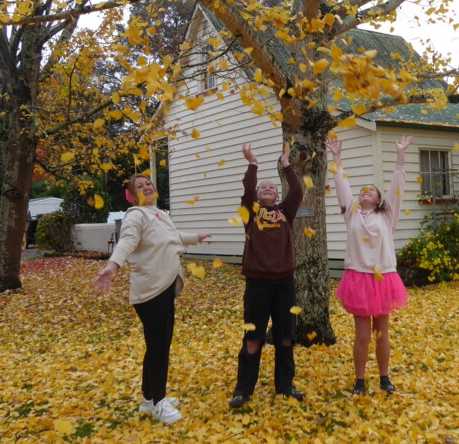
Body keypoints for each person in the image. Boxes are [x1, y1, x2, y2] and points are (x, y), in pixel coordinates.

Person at [93, 173, 210, 425]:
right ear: (132, 195)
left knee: (157, 346)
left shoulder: (160, 214)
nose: (146, 188)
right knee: (159, 349)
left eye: (148, 184)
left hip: (165, 288)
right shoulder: (136, 215)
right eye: (140, 186)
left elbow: (173, 237)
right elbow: (128, 241)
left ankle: (148, 401)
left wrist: (197, 237)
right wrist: (112, 266)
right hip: (150, 292)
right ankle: (158, 402)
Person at [325, 135, 413, 395]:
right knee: (362, 335)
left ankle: (385, 377)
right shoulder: (351, 213)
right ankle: (360, 380)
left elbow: (397, 189)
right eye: (362, 190)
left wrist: (400, 156)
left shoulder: (387, 215)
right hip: (358, 279)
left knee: (381, 332)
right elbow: (342, 187)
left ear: (377, 199)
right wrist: (336, 158)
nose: (365, 191)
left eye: (370, 190)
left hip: (383, 277)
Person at [228, 142, 305, 409]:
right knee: (253, 338)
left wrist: (287, 165)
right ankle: (243, 390)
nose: (268, 189)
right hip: (257, 285)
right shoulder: (251, 213)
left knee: (286, 336)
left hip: (285, 285)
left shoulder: (286, 212)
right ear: (259, 196)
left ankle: (285, 385)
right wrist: (253, 164)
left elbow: (297, 190)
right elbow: (248, 189)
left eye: (272, 187)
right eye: (264, 188)